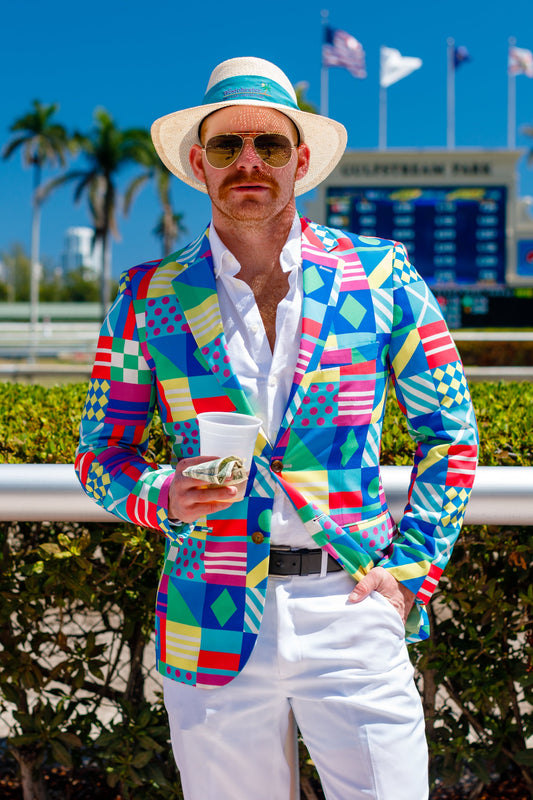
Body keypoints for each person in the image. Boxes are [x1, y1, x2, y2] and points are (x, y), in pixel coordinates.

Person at [76, 56, 479, 800]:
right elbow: (102, 452)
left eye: (269, 143)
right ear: (199, 164)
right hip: (207, 609)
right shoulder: (145, 296)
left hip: (352, 600)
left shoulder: (380, 275)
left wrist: (411, 574)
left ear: (301, 160)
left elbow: (450, 434)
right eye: (227, 145)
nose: (249, 161)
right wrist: (161, 495)